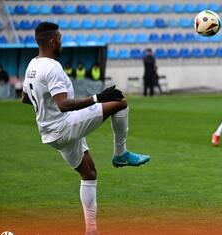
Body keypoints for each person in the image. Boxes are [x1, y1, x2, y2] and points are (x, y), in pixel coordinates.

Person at [21, 22, 150, 235]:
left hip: (50, 133)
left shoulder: (32, 65)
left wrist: (44, 106)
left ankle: (91, 230)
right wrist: (98, 97)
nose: (62, 42)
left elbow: (25, 98)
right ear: (52, 41)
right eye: (60, 38)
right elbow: (63, 105)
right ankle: (121, 154)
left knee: (89, 173)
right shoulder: (52, 67)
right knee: (120, 102)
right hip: (64, 126)